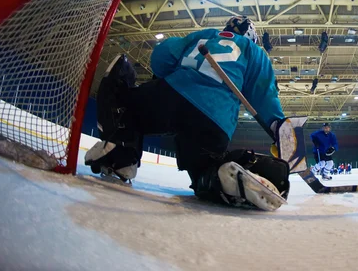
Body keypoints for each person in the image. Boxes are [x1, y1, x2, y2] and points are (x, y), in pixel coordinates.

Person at [85, 16, 291, 211]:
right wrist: (277, 125)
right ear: (252, 38)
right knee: (203, 170)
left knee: (126, 105)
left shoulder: (206, 35)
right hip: (215, 120)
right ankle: (219, 177)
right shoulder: (254, 52)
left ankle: (121, 156)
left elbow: (161, 57)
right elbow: (265, 93)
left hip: (172, 95)